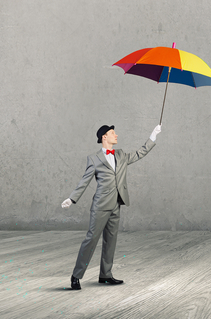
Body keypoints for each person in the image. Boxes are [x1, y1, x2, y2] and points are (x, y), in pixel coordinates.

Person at [62, 123, 162, 289]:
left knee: (111, 241)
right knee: (91, 240)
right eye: (113, 133)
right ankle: (76, 275)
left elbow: (139, 153)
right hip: (100, 206)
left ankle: (106, 275)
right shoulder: (94, 159)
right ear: (104, 137)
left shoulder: (121, 155)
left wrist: (153, 136)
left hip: (116, 204)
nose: (116, 135)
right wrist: (72, 199)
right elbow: (84, 181)